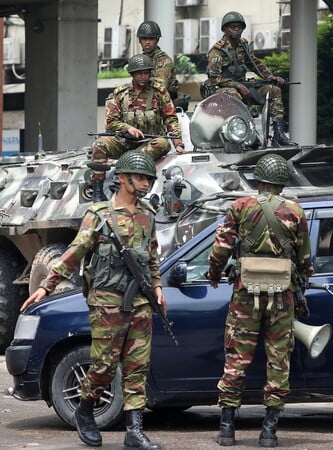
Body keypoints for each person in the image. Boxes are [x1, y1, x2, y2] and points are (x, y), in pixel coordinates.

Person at [21, 151, 165, 450]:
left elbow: (151, 256)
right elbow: (74, 252)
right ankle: (85, 411)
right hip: (106, 303)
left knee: (137, 366)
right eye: (139, 177)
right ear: (123, 179)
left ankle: (134, 431)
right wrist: (47, 286)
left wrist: (158, 287)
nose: (145, 182)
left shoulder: (148, 214)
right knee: (104, 366)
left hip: (139, 301)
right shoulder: (100, 215)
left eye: (148, 178)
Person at [207, 153, 312, 447]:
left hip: (245, 295)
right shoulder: (295, 211)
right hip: (282, 297)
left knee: (236, 360)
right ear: (281, 184)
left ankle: (227, 428)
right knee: (279, 361)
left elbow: (221, 248)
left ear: (259, 180)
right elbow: (304, 259)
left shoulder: (240, 207)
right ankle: (269, 430)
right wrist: (302, 283)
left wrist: (214, 273)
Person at [90, 53, 185, 202]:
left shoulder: (159, 92)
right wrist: (127, 128)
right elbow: (111, 121)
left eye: (146, 73)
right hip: (124, 142)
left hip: (149, 143)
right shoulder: (120, 94)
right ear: (132, 74)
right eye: (139, 73)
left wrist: (178, 143)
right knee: (100, 144)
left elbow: (170, 118)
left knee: (162, 143)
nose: (143, 76)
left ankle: (126, 169)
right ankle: (97, 191)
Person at [206, 11, 295, 147]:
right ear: (224, 29)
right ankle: (246, 135)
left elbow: (255, 64)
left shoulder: (243, 46)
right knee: (235, 95)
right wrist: (237, 86)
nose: (237, 29)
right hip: (222, 90)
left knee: (274, 90)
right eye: (233, 26)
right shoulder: (217, 51)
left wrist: (270, 77)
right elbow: (214, 79)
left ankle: (278, 134)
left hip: (242, 86)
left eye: (239, 26)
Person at [136, 20, 189, 111]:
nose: (147, 42)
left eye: (151, 39)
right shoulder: (141, 59)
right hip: (147, 99)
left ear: (157, 40)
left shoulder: (163, 60)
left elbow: (160, 87)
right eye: (144, 39)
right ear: (140, 40)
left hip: (164, 102)